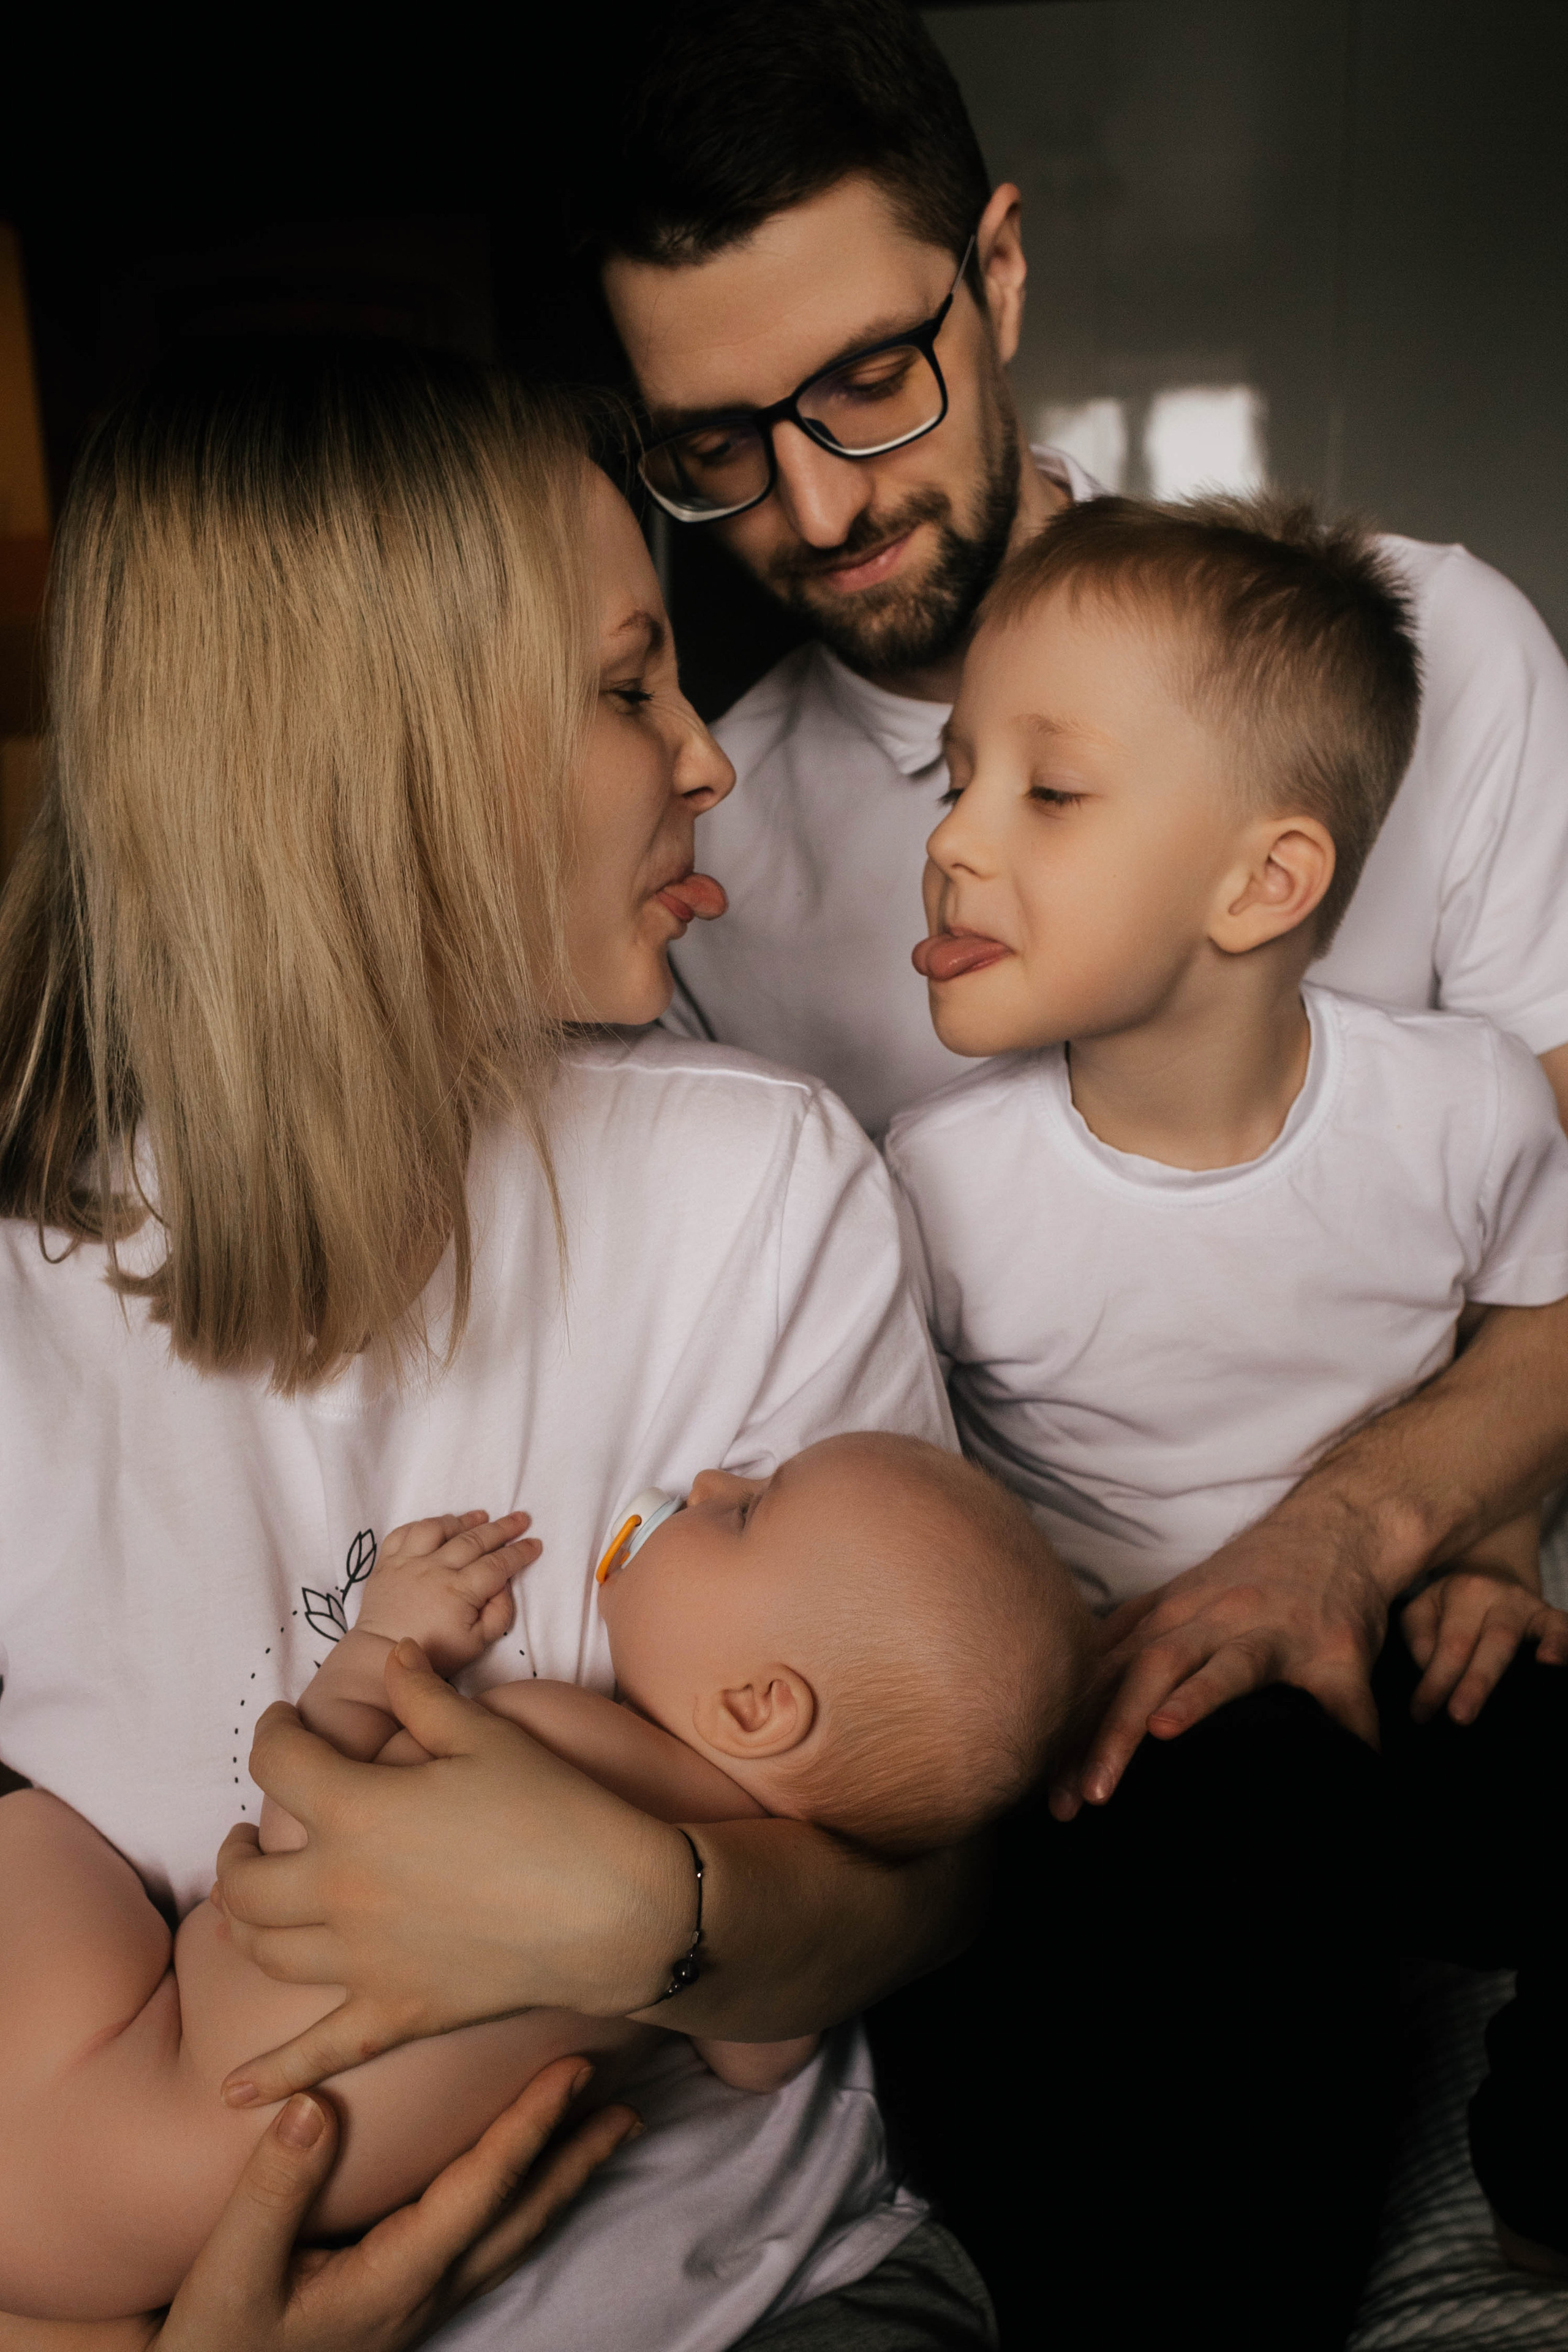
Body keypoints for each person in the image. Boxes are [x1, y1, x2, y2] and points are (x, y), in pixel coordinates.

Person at [581, 8, 1568, 2340]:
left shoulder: (1428, 661)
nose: (815, 508)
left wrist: (1404, 1521)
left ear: (998, 274)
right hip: (1086, 1811)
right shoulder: (700, 843)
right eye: (716, 445)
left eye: (866, 383)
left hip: (1440, 1692)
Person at [0, 343, 1001, 2351]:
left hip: (742, 2305)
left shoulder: (758, 1192)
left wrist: (659, 1922)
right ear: (374, 771)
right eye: (628, 687)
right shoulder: (35, 1260)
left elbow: (912, 1873)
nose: (706, 752)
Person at [885, 489, 1568, 2290]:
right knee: (1179, 1978)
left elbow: (1540, 1319)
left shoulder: (1468, 1108)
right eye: (948, 781)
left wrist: (1495, 1542)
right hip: (1131, 1739)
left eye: (1047, 790)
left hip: (1404, 1656)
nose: (954, 844)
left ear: (1264, 882)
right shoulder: (935, 1189)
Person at [0, 1431, 1090, 2323]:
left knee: (41, 1829)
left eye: (747, 1514)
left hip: (80, 2119)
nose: (713, 1479)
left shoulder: (557, 1747)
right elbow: (762, 2062)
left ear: (757, 1707)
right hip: (138, 2239)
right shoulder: (754, 1946)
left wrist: (378, 1650)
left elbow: (302, 1841)